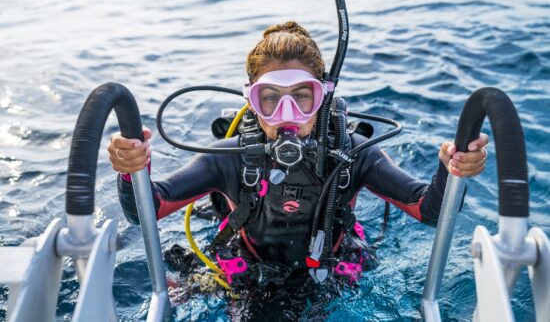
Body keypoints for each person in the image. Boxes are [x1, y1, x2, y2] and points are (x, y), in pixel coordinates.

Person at [108, 21, 488, 317]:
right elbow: (146, 210)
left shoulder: (352, 153)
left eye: (302, 97)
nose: (287, 115)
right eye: (270, 99)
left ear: (323, 96)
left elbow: (429, 209)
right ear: (251, 100)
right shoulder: (228, 156)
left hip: (331, 264)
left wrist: (451, 170)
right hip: (248, 267)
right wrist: (132, 170)